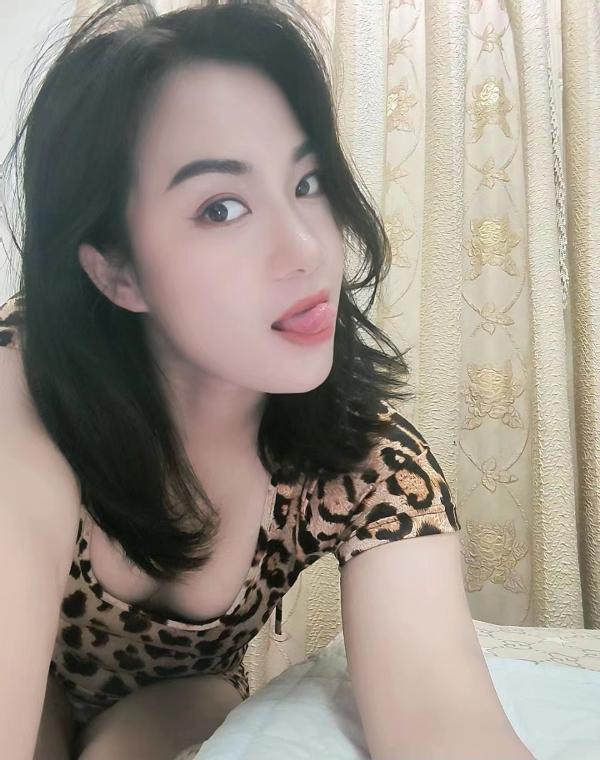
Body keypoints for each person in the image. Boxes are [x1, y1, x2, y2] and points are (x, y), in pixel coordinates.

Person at [0, 2, 535, 760]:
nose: (306, 249)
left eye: (308, 182)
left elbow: (445, 728)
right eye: (222, 208)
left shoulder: (370, 461)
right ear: (117, 271)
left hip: (183, 700)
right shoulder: (25, 377)